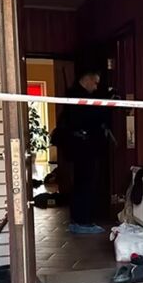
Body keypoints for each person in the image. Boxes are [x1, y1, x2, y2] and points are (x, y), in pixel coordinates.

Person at [52, 69, 112, 234]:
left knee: (82, 183)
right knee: (84, 183)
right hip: (82, 148)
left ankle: (80, 220)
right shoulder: (77, 98)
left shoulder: (75, 95)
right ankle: (82, 221)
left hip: (81, 147)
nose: (96, 87)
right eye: (95, 83)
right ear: (87, 80)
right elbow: (87, 119)